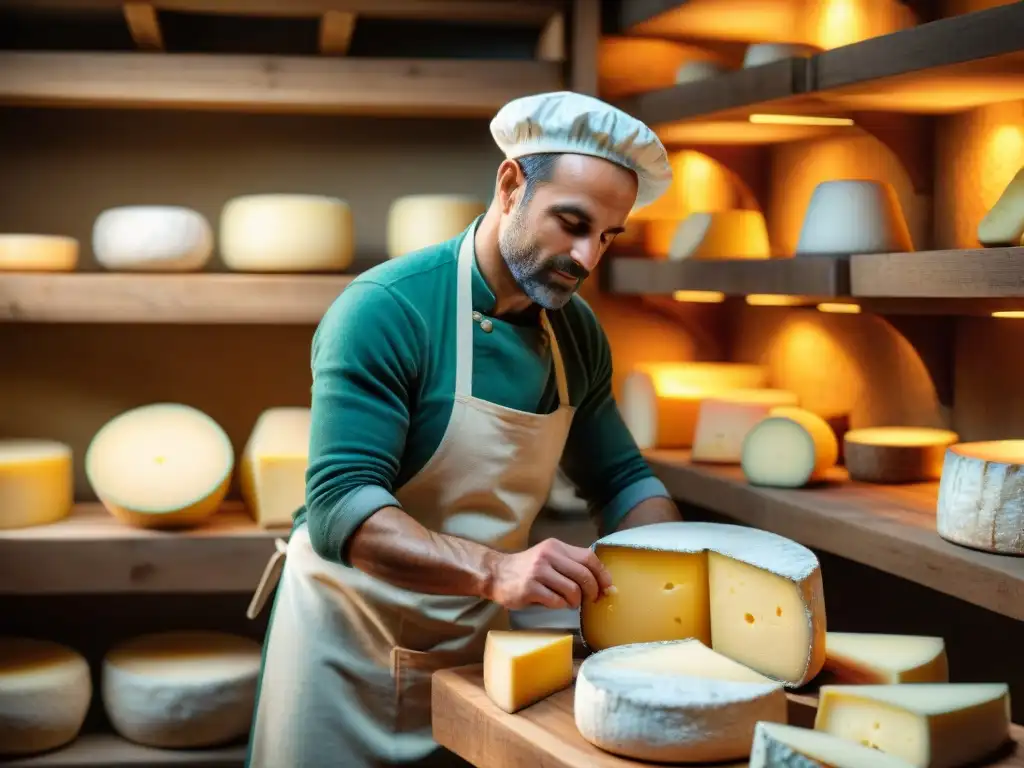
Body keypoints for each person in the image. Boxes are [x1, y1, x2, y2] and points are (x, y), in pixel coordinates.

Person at [245, 90, 684, 768]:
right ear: (510, 186)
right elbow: (340, 510)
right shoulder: (386, 310)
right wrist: (497, 570)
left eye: (606, 235)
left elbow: (622, 479)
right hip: (345, 646)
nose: (586, 257)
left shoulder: (576, 334)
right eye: (571, 222)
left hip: (477, 653)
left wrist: (675, 587)